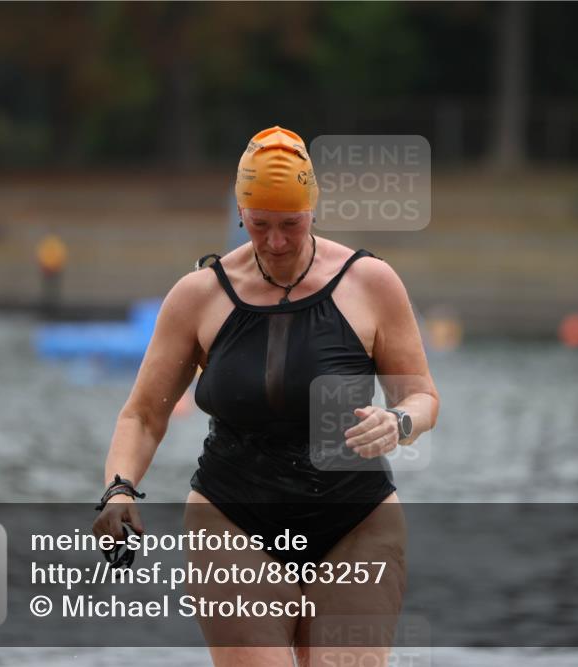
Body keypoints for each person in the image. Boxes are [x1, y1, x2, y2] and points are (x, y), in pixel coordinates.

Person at [93, 126, 439, 666]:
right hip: (233, 518)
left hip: (355, 520)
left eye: (290, 224)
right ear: (240, 211)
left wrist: (398, 422)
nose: (276, 241)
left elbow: (422, 396)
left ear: (313, 210)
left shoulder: (370, 283)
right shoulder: (199, 296)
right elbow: (142, 415)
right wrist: (119, 491)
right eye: (260, 225)